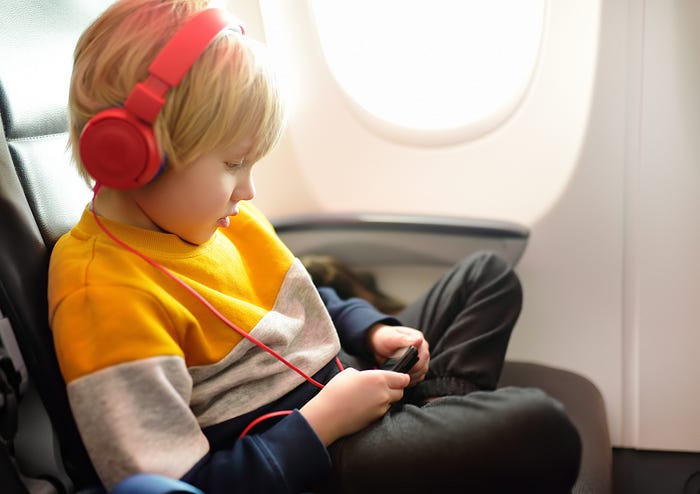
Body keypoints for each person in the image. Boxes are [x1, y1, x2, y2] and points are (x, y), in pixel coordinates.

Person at [48, 1, 581, 493]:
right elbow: (186, 483)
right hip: (319, 458)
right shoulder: (102, 294)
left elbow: (302, 298)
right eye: (233, 164)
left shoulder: (220, 221)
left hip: (343, 387)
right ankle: (439, 431)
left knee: (487, 277)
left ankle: (435, 416)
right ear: (130, 154)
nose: (248, 190)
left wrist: (369, 329)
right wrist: (323, 423)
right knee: (541, 425)